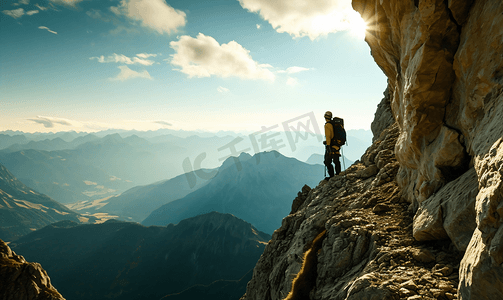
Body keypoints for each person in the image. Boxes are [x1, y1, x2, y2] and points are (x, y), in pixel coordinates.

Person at [323, 111, 342, 180]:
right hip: (337, 144)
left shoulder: (328, 125)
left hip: (331, 146)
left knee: (327, 162)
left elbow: (329, 136)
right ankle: (338, 174)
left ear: (325, 117)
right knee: (336, 160)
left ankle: (332, 176)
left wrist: (328, 146)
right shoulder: (334, 124)